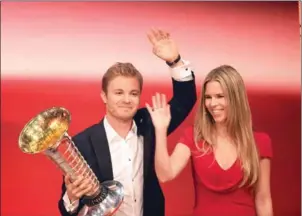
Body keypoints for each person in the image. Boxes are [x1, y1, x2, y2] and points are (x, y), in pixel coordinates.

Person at [57, 28, 197, 216]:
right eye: (118, 93)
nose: (126, 100)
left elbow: (186, 98)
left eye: (133, 93)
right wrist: (72, 198)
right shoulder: (82, 143)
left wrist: (175, 61)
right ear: (104, 96)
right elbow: (67, 209)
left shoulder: (151, 124)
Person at [146, 65, 273, 216]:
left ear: (235, 98)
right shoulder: (193, 137)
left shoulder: (260, 142)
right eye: (208, 97)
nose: (213, 104)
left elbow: (263, 199)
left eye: (220, 96)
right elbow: (165, 174)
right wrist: (160, 130)